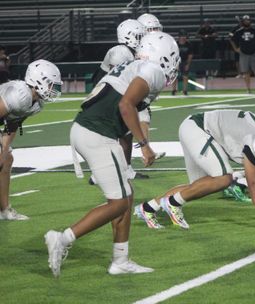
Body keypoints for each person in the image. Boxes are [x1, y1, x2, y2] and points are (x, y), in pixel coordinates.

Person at [44, 32, 180, 277]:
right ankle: (62, 238)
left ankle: (120, 260)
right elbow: (125, 106)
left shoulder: (133, 66)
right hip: (96, 133)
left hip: (91, 130)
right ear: (166, 55)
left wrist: (126, 163)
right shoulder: (153, 71)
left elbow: (125, 123)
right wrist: (145, 145)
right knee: (118, 203)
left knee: (126, 195)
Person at [134, 111, 255, 232]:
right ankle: (173, 203)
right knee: (224, 178)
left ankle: (148, 208)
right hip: (199, 128)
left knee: (198, 186)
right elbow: (253, 183)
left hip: (195, 126)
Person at [0, 59, 62, 220]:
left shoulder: (36, 104)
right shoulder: (18, 94)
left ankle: (4, 210)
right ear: (38, 80)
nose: (52, 89)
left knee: (6, 159)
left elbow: (13, 124)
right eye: (50, 84)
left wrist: (4, 149)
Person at [89, 19, 149, 183]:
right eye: (139, 35)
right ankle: (98, 173)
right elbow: (119, 80)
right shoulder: (120, 51)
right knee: (112, 137)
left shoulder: (130, 52)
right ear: (128, 36)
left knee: (126, 134)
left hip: (113, 94)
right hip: (106, 95)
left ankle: (126, 169)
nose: (142, 39)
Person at [230, 15, 255, 94]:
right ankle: (248, 89)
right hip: (244, 53)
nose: (247, 22)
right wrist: (235, 48)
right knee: (246, 72)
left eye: (248, 20)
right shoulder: (239, 31)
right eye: (245, 20)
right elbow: (232, 40)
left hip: (254, 53)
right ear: (243, 22)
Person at [172, 29, 194, 96]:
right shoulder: (175, 44)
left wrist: (187, 64)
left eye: (184, 36)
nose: (183, 37)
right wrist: (176, 64)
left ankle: (185, 90)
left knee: (185, 76)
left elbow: (190, 55)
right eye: (182, 36)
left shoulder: (189, 44)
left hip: (185, 61)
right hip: (177, 61)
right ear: (179, 37)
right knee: (174, 76)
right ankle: (174, 90)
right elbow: (173, 54)